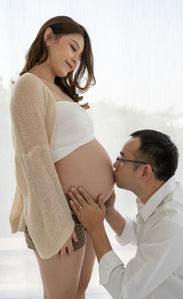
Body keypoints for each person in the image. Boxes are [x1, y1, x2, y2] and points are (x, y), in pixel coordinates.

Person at [9, 16, 114, 299]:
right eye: (72, 47)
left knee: (78, 291)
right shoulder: (29, 85)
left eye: (79, 55)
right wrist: (58, 221)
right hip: (61, 212)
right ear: (49, 36)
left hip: (87, 211)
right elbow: (33, 158)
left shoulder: (60, 91)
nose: (75, 59)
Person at [68, 129, 183, 299]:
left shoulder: (172, 224)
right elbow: (143, 234)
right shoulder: (164, 197)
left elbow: (125, 292)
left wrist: (96, 228)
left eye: (121, 159)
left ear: (145, 172)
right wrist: (109, 213)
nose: (114, 165)